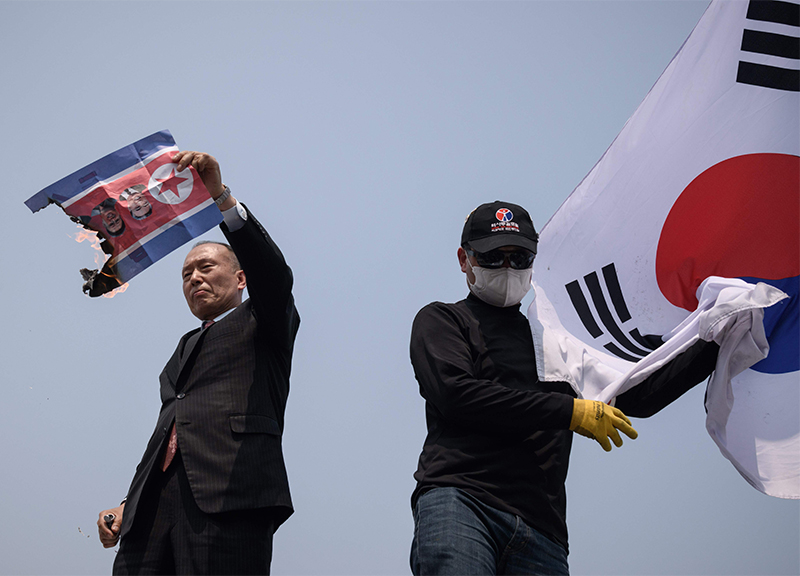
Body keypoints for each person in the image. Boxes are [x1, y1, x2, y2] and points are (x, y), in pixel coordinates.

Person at [409, 201, 719, 575]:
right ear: (464, 259)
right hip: (464, 502)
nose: (507, 268)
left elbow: (639, 394)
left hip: (543, 531)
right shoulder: (444, 320)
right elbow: (457, 395)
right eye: (492, 258)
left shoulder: (559, 339)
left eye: (519, 258)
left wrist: (718, 337)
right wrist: (568, 411)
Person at [97, 151, 300, 575]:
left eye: (206, 267)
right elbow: (169, 430)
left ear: (240, 279)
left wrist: (221, 197)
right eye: (186, 274)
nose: (194, 278)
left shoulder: (264, 320)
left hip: (231, 494)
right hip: (151, 513)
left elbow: (273, 275)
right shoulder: (184, 348)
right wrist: (129, 502)